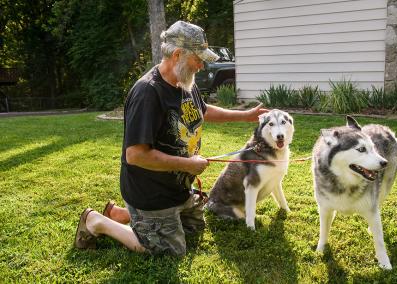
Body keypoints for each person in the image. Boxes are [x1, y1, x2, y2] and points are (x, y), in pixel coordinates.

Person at [74, 20, 268, 256]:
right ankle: (97, 221)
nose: (201, 66)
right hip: (151, 192)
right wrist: (189, 164)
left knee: (194, 229)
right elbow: (135, 155)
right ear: (178, 54)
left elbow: (202, 110)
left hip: (177, 187)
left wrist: (246, 116)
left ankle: (124, 214)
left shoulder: (184, 81)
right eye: (198, 59)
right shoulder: (147, 93)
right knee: (169, 250)